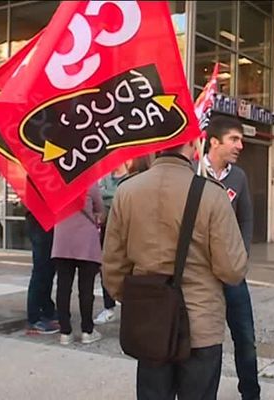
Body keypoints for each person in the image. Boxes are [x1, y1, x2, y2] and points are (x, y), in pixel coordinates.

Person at [103, 138, 248, 400]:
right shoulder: (212, 194)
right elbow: (232, 269)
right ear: (192, 145)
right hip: (200, 326)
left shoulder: (127, 192)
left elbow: (113, 268)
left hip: (150, 323)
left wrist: (140, 300)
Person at [203, 115, 260, 400]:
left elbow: (246, 217)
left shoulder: (238, 176)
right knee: (205, 340)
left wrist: (243, 255)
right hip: (200, 274)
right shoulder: (193, 171)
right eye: (234, 139)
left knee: (245, 337)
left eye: (240, 140)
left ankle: (250, 393)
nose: (240, 145)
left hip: (232, 271)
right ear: (214, 142)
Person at [52, 183, 104, 345]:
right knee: (86, 289)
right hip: (86, 242)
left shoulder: (56, 186)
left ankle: (65, 332)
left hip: (62, 240)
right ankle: (87, 331)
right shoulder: (90, 185)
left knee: (63, 287)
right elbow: (100, 211)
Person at [94, 162, 129, 325]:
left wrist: (107, 195)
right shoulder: (105, 179)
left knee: (129, 268)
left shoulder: (130, 179)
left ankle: (129, 306)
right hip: (107, 228)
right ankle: (109, 307)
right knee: (106, 267)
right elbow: (99, 199)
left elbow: (119, 198)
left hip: (127, 229)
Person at [25, 211, 58, 334]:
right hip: (40, 223)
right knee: (41, 271)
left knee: (49, 270)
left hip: (47, 222)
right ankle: (34, 318)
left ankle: (47, 309)